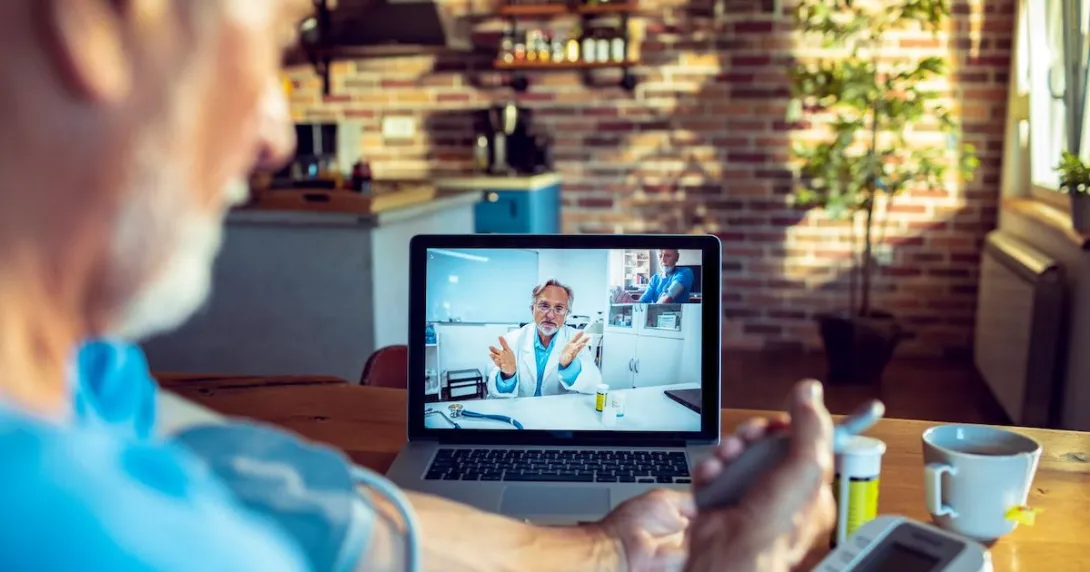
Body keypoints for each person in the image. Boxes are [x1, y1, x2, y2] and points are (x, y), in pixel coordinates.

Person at [0, 1, 836, 570]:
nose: (276, 136)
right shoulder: (109, 532)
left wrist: (607, 549)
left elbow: (251, 474)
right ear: (102, 20)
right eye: (271, 43)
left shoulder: (76, 380)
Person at [486, 279, 603, 397]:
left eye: (559, 308)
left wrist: (569, 367)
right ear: (532, 309)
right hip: (520, 411)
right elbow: (493, 395)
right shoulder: (512, 340)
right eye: (544, 306)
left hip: (558, 412)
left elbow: (593, 385)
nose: (551, 315)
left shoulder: (575, 341)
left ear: (566, 314)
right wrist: (508, 376)